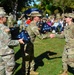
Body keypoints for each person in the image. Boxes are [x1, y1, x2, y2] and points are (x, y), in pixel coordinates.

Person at [0, 7, 24, 75]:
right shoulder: (5, 28)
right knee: (9, 72)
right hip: (7, 54)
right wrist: (18, 41)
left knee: (1, 71)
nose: (6, 18)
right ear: (1, 18)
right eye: (5, 17)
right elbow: (9, 42)